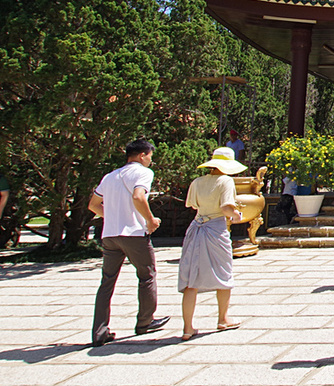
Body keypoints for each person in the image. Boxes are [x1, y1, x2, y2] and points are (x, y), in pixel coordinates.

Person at [88, 139, 170, 346]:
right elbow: (138, 196)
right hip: (133, 233)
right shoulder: (143, 173)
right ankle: (145, 321)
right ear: (142, 155)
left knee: (107, 281)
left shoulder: (110, 176)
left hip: (110, 234)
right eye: (150, 155)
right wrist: (150, 220)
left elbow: (93, 204)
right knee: (147, 275)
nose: (151, 160)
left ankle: (99, 331)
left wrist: (113, 216)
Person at [178, 147, 246, 341]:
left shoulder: (197, 181)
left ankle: (187, 327)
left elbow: (193, 205)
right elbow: (226, 207)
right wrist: (236, 215)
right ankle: (223, 318)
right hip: (216, 228)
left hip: (197, 226)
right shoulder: (225, 181)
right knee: (223, 272)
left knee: (191, 277)